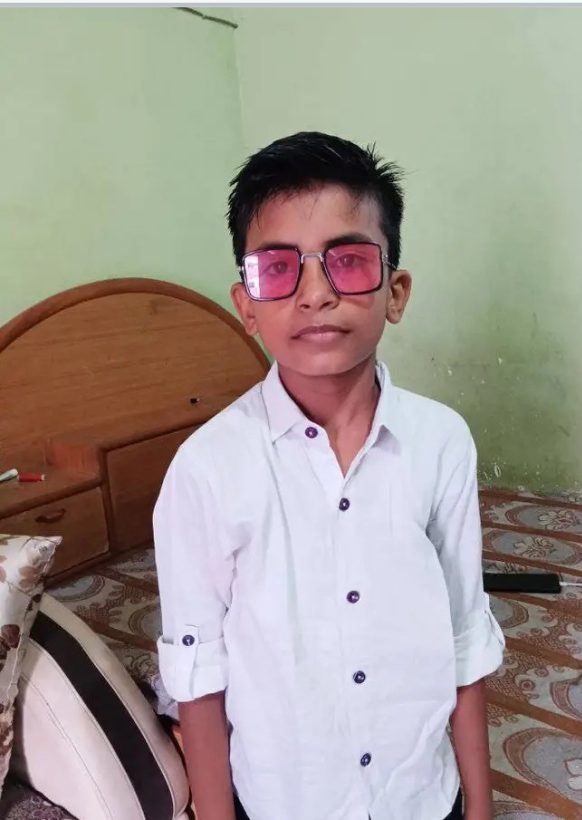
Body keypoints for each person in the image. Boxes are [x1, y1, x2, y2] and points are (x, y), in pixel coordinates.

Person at [154, 131, 505, 820]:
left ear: (395, 292)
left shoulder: (441, 443)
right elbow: (198, 673)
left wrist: (481, 809)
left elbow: (465, 632)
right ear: (246, 305)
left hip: (420, 797)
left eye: (347, 261)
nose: (315, 294)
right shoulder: (206, 469)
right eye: (278, 268)